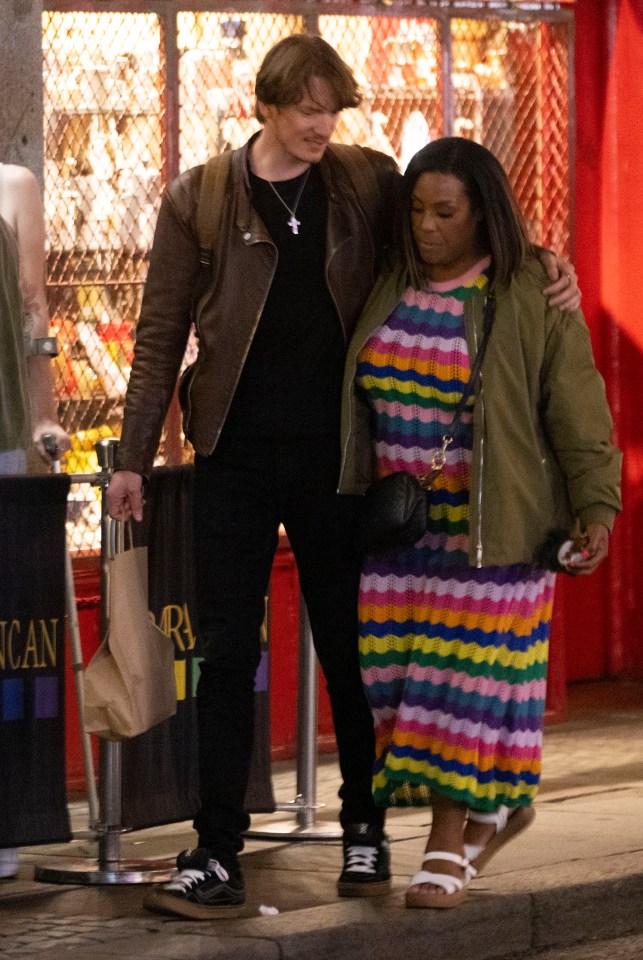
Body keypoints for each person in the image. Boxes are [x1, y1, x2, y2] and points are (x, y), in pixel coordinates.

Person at [105, 36, 581, 920]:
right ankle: (215, 849)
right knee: (223, 653)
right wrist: (133, 458)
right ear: (268, 105)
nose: (322, 123)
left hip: (340, 459)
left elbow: (461, 219)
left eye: (333, 107)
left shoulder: (364, 180)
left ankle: (363, 829)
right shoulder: (200, 196)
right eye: (306, 108)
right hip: (232, 458)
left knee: (352, 653)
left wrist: (542, 262)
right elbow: (159, 333)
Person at [338, 136, 622, 909]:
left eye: (445, 212)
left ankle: (444, 841)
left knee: (454, 689)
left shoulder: (527, 289)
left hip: (495, 530)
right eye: (417, 209)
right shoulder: (386, 279)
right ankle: (502, 807)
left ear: (481, 213)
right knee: (398, 687)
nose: (426, 226)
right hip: (399, 532)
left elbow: (577, 404)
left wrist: (595, 507)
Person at [0, 161, 70, 878]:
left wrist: (43, 414)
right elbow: (30, 307)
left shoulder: (13, 184)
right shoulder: (11, 187)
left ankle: (10, 818)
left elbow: (32, 311)